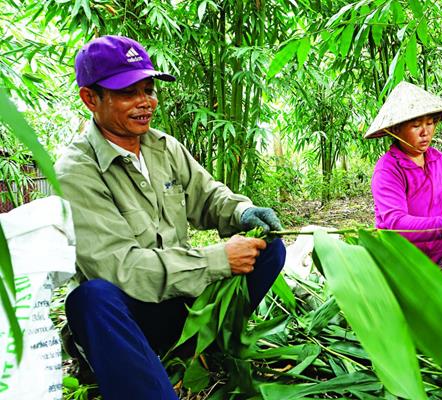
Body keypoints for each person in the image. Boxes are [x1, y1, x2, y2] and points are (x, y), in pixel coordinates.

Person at [55, 35, 286, 400]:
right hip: (130, 315)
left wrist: (243, 212)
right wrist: (217, 260)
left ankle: (203, 345)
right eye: (129, 92)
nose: (146, 102)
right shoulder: (76, 171)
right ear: (90, 98)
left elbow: (208, 196)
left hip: (180, 303)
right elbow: (122, 268)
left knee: (269, 249)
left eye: (148, 89)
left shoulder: (164, 147)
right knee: (91, 297)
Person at [365, 81, 442, 269]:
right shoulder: (388, 170)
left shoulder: (436, 158)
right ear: (396, 130)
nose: (425, 132)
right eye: (416, 125)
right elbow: (397, 224)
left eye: (429, 123)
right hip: (407, 263)